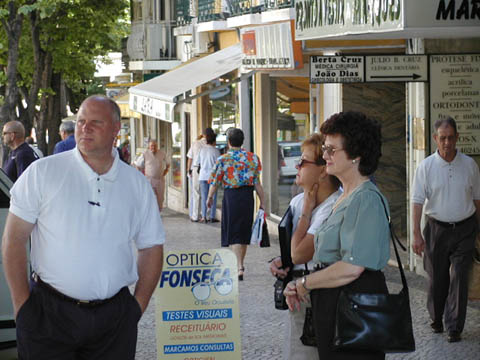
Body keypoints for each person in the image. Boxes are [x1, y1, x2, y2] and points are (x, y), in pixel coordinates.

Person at [1, 95, 165, 359]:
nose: (84, 128)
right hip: (47, 315)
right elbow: (14, 240)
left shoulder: (136, 185)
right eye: (80, 122)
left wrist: (136, 308)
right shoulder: (43, 172)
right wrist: (23, 307)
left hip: (114, 321)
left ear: (115, 129)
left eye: (95, 123)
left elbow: (151, 247)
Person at [285, 111, 390, 360]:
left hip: (354, 312)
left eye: (332, 150)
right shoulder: (346, 196)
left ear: (355, 155)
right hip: (336, 309)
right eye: (324, 149)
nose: (324, 156)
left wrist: (304, 283)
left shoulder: (365, 198)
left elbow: (352, 267)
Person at [269, 133, 341, 360]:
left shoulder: (335, 206)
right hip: (299, 294)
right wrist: (281, 262)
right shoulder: (297, 202)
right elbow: (292, 253)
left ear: (323, 170)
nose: (297, 166)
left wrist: (307, 214)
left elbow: (299, 253)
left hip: (323, 295)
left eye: (303, 161)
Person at [412, 117, 480, 343]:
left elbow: (478, 199)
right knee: (437, 277)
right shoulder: (426, 167)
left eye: (451, 137)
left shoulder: (469, 165)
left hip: (465, 227)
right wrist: (416, 234)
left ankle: (455, 326)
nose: (447, 142)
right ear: (435, 139)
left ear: (457, 138)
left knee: (459, 275)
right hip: (436, 228)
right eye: (443, 138)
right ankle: (436, 317)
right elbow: (417, 201)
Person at [207, 128, 265, 280]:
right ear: (243, 140)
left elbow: (214, 182)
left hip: (231, 197)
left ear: (228, 142)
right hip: (247, 197)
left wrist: (209, 198)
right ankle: (240, 264)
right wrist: (263, 202)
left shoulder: (223, 159)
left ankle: (237, 265)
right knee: (243, 230)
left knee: (233, 231)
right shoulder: (253, 158)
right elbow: (257, 183)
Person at [194, 128, 220, 223]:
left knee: (204, 196)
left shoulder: (202, 150)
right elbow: (218, 165)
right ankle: (212, 216)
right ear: (214, 141)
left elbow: (196, 162)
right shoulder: (216, 151)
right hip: (213, 177)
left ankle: (204, 216)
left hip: (202, 176)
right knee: (213, 196)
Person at [138, 139, 170, 211]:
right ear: (149, 147)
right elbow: (138, 165)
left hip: (160, 179)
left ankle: (158, 211)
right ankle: (151, 212)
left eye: (155, 146)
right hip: (149, 179)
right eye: (152, 146)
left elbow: (168, 163)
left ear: (157, 146)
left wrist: (166, 171)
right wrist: (141, 176)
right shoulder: (145, 154)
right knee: (150, 196)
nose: (153, 147)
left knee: (160, 198)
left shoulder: (162, 153)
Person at [187, 132, 207, 222]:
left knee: (196, 193)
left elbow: (190, 158)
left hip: (196, 169)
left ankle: (195, 216)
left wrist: (188, 170)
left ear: (203, 134)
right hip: (206, 170)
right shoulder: (210, 144)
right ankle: (205, 215)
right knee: (205, 193)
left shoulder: (195, 143)